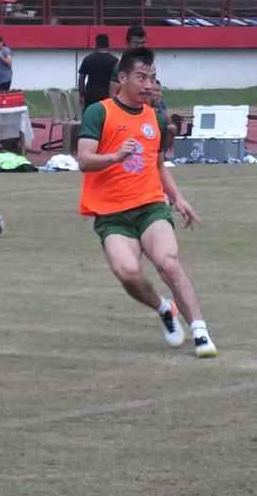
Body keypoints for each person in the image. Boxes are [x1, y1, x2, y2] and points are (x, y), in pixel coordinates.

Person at [77, 47, 218, 358]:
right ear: (123, 78)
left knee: (168, 263)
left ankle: (200, 331)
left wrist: (177, 198)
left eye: (152, 78)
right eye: (141, 77)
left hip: (150, 205)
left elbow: (156, 165)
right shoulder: (98, 112)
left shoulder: (155, 116)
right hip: (112, 214)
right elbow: (84, 160)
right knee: (127, 272)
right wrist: (115, 156)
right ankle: (163, 309)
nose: (148, 85)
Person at [78, 33, 118, 110]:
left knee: (89, 115)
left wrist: (81, 95)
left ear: (96, 45)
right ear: (108, 45)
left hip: (91, 92)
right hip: (107, 93)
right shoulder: (114, 61)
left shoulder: (88, 59)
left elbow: (81, 78)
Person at [108, 26, 148, 98]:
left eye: (143, 43)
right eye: (136, 43)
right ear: (127, 44)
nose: (140, 46)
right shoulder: (120, 67)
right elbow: (113, 93)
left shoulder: (149, 65)